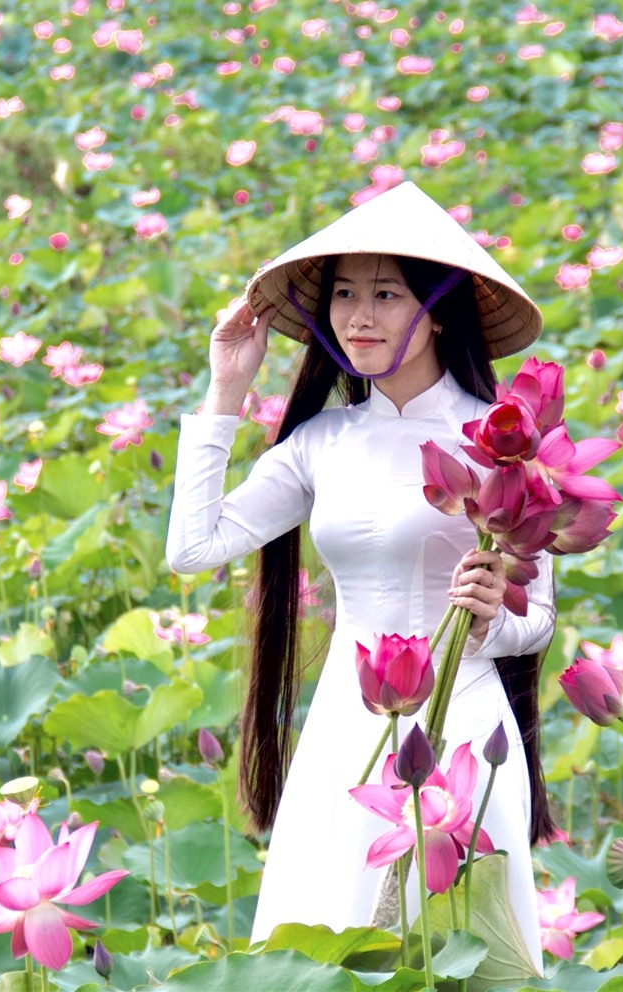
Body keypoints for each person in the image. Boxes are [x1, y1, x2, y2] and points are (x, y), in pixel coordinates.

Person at [164, 181, 555, 969]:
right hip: (350, 726)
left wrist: (493, 620)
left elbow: (535, 614)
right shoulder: (324, 440)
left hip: (466, 721)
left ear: (439, 308)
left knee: (465, 958)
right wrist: (225, 390)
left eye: (384, 293)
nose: (358, 316)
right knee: (330, 945)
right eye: (344, 294)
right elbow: (191, 548)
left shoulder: (500, 439)